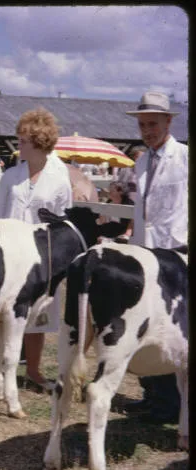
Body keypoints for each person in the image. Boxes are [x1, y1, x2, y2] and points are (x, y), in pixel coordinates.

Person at [0, 107, 73, 393]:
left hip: (41, 260)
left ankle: (33, 371)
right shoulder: (10, 176)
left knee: (39, 316)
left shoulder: (59, 180)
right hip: (8, 256)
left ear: (38, 143)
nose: (18, 145)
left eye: (22, 141)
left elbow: (63, 224)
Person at [122, 90, 188, 424]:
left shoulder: (186, 157)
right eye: (142, 125)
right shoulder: (142, 160)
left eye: (152, 124)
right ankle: (152, 396)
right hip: (145, 255)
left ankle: (172, 404)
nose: (147, 131)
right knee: (144, 327)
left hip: (176, 255)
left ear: (168, 121)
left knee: (172, 331)